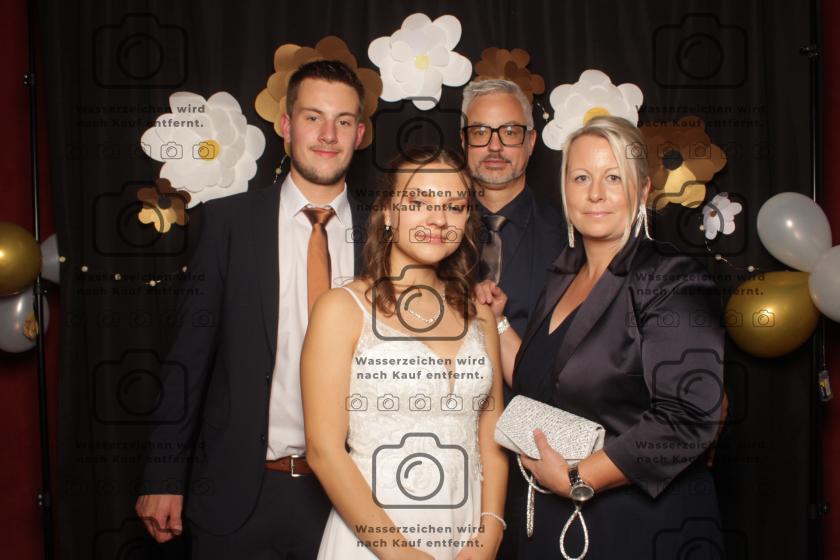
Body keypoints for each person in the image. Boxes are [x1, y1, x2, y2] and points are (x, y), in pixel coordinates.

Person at [135, 59, 370, 559]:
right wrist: (162, 474)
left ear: (360, 133)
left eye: (344, 120)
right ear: (286, 125)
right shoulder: (228, 225)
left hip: (352, 498)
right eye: (312, 117)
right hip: (240, 492)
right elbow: (187, 358)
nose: (328, 135)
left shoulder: (384, 237)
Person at [476, 116, 725, 558]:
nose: (595, 193)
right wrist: (497, 322)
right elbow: (542, 382)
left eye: (613, 177)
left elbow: (690, 416)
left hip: (638, 529)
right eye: (581, 178)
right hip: (555, 526)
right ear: (565, 189)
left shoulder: (670, 278)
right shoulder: (564, 274)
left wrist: (579, 477)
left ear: (643, 190)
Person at [301, 147, 508, 560]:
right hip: (375, 538)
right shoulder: (342, 309)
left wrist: (490, 532)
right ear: (388, 212)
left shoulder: (480, 314)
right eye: (418, 202)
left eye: (453, 206)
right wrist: (402, 555)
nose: (438, 219)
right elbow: (324, 450)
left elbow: (492, 433)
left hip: (466, 534)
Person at [460, 78, 566, 559]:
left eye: (509, 131)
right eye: (481, 132)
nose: (495, 146)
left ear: (531, 140)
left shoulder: (574, 233)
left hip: (541, 463)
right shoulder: (428, 226)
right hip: (442, 454)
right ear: (464, 140)